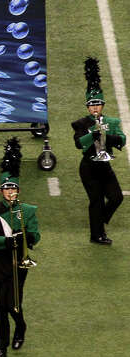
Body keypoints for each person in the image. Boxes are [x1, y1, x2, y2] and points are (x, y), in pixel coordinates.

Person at [0, 138, 40, 357]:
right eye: (7, 189)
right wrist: (8, 241)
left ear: (18, 190)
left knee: (13, 304)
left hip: (20, 262)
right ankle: (2, 347)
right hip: (0, 262)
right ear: (1, 191)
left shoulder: (28, 211)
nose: (10, 192)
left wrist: (27, 237)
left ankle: (21, 325)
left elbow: (36, 235)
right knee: (0, 308)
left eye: (13, 188)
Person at [71, 57, 124, 244]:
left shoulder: (112, 122)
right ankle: (97, 235)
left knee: (117, 197)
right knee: (97, 201)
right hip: (88, 168)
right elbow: (79, 144)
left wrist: (107, 136)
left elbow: (122, 140)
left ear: (102, 105)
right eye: (91, 105)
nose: (95, 108)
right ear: (87, 107)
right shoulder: (81, 124)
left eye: (98, 104)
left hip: (105, 166)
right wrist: (93, 133)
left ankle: (100, 220)